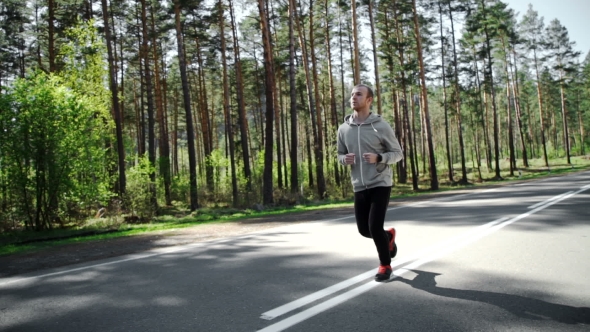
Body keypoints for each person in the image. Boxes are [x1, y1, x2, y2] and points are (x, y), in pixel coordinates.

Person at [337, 84, 404, 282]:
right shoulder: (343, 129)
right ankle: (388, 238)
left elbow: (397, 154)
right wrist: (344, 159)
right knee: (364, 230)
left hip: (380, 182)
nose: (353, 97)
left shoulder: (380, 126)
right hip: (358, 184)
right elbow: (339, 154)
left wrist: (379, 158)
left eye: (358, 94)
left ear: (369, 100)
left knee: (374, 227)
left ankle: (385, 265)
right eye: (351, 94)